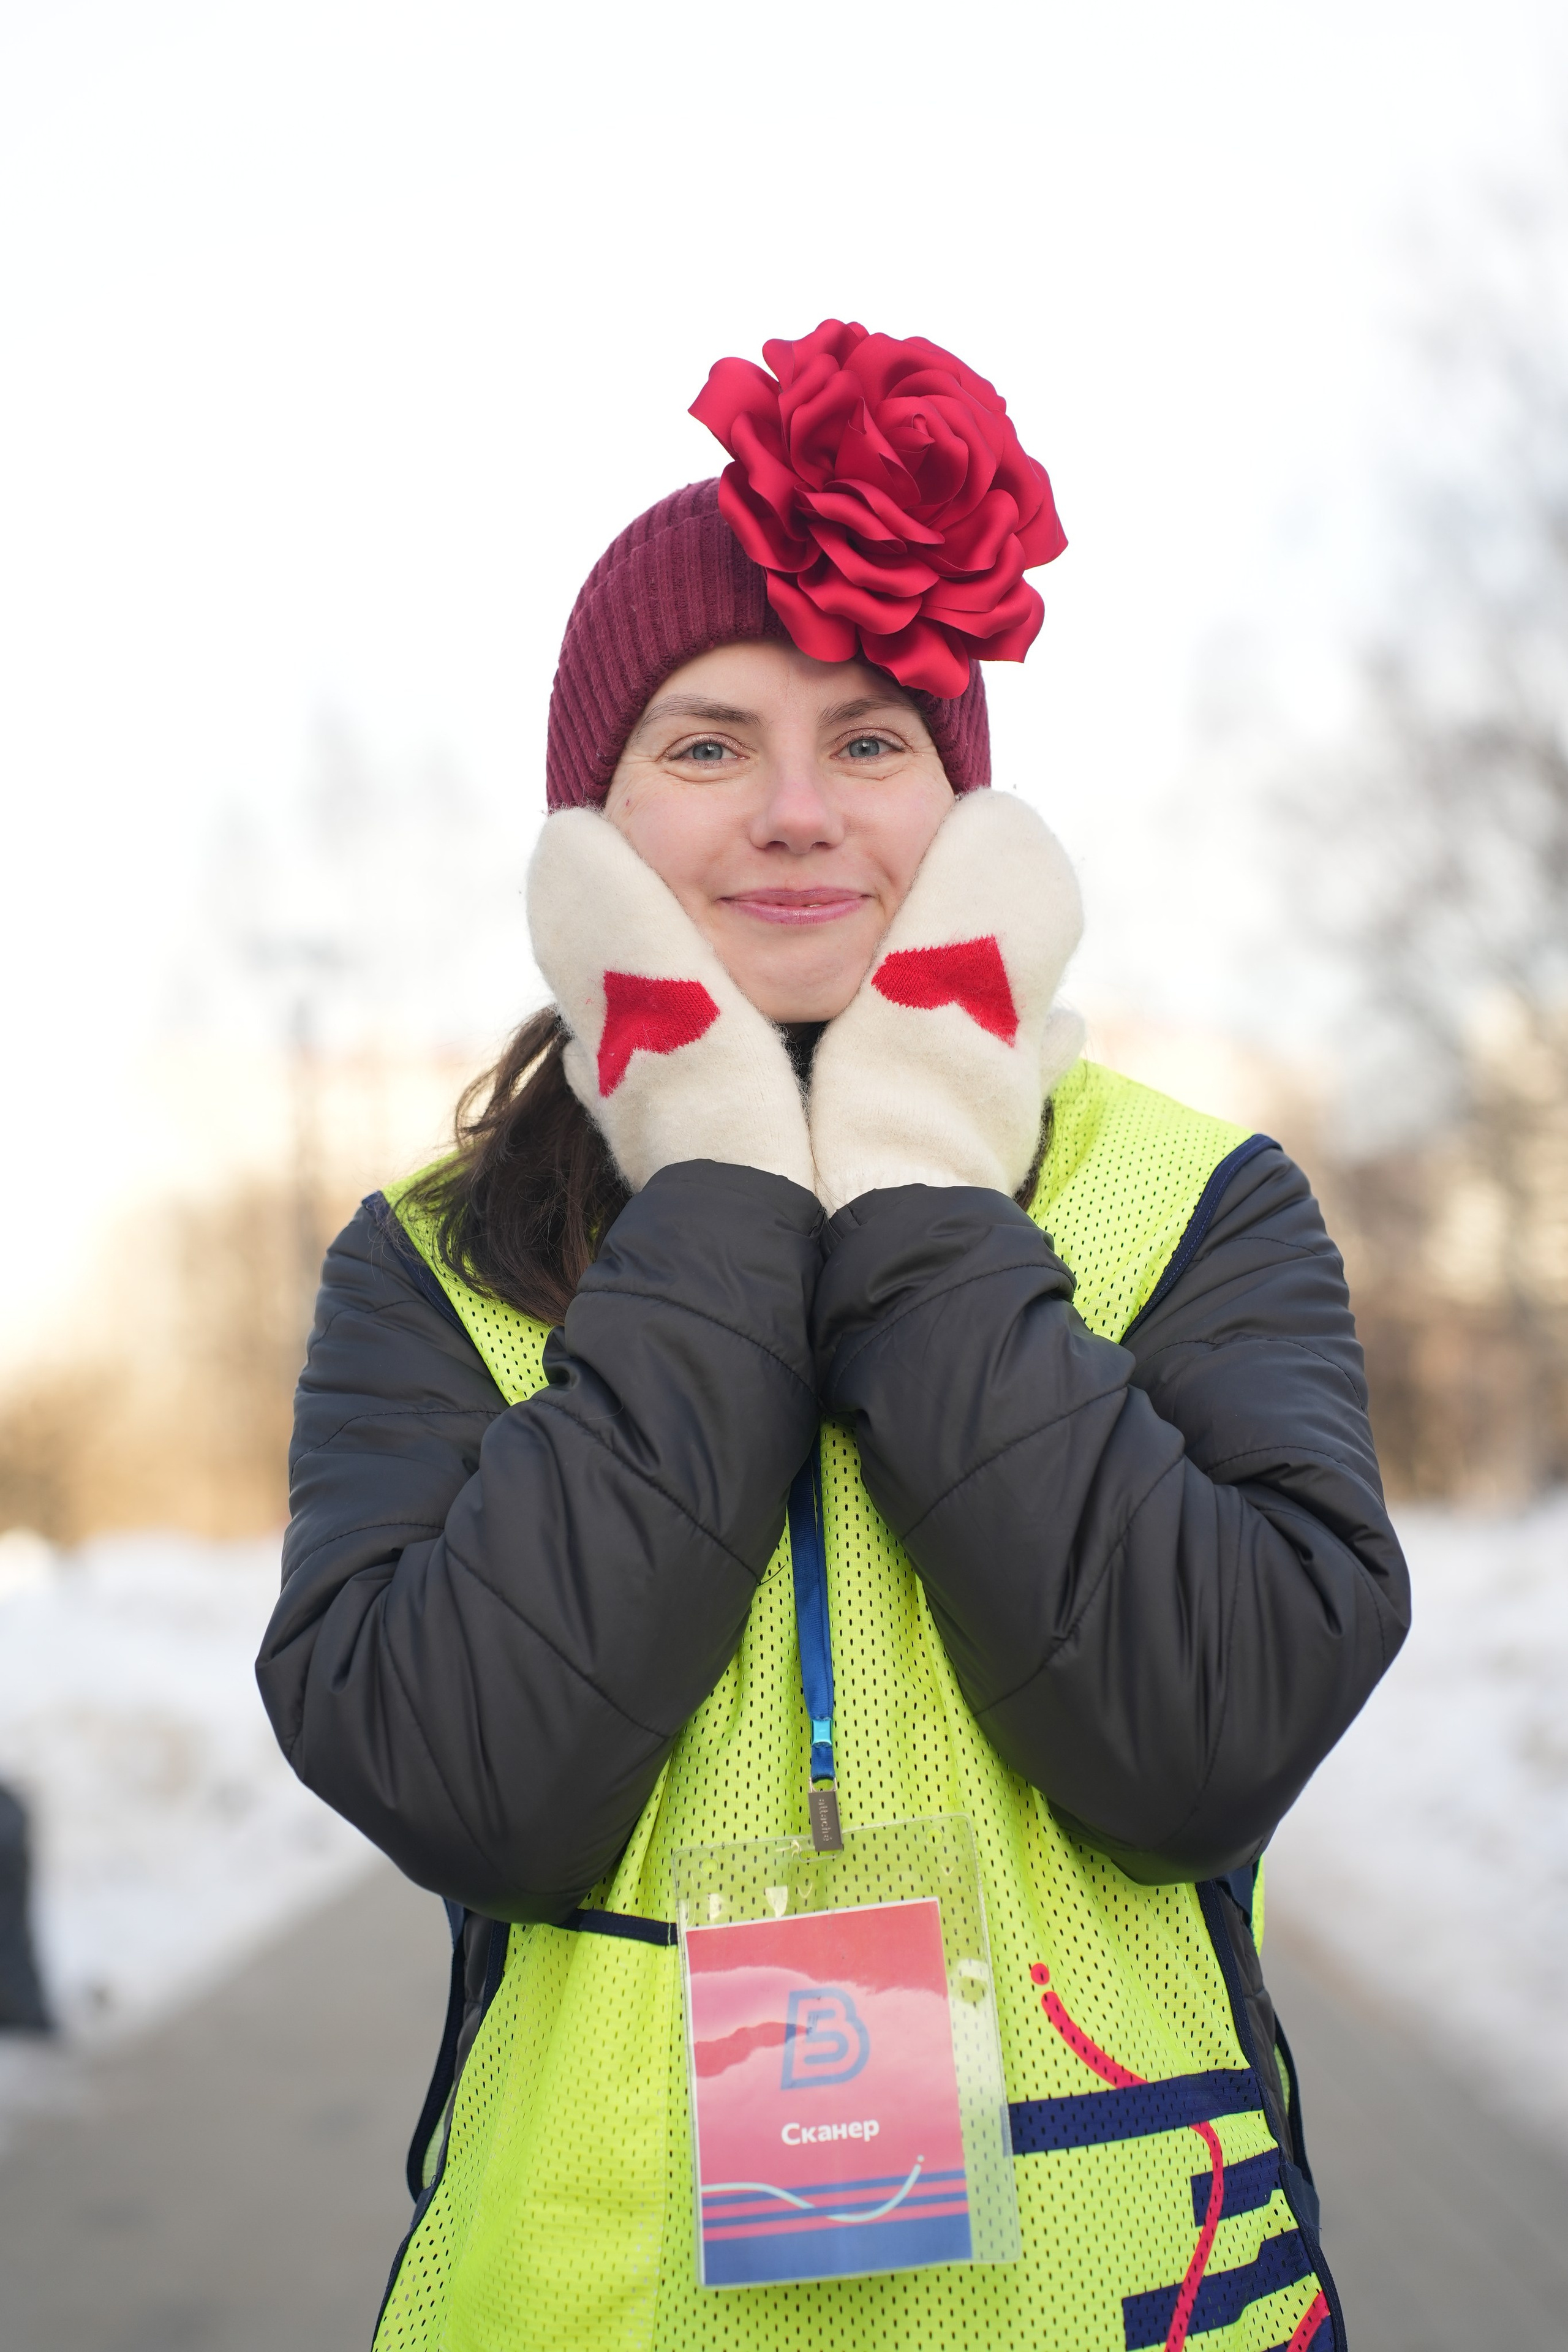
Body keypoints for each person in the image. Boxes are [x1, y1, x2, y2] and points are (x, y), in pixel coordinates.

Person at [258, 321, 1409, 2352]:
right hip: (590, 2308)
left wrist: (916, 1196)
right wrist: (718, 1198)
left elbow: (1208, 1744)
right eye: (708, 747)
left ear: (965, 816)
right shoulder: (427, 1266)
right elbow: (466, 1779)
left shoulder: (1194, 1205)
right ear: (596, 827)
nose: (796, 814)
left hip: (1134, 2296)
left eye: (870, 742)